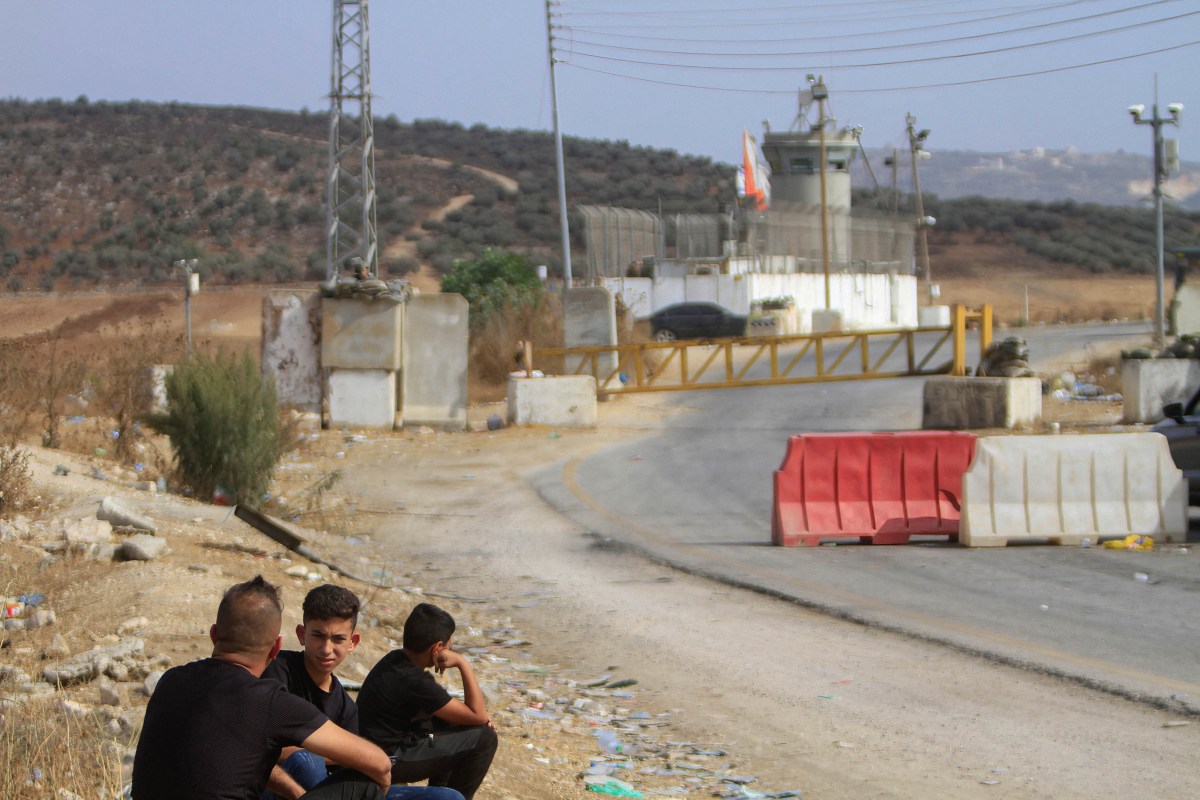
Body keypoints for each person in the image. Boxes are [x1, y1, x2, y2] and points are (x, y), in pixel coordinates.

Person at [131, 576, 391, 800]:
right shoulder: (269, 702)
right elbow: (378, 763)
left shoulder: (171, 679)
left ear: (214, 634)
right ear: (276, 647)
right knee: (364, 788)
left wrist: (297, 794)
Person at [262, 585, 462, 800]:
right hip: (278, 788)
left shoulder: (346, 706)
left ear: (352, 642)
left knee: (448, 797)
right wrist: (333, 753)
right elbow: (254, 745)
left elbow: (350, 766)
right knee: (306, 762)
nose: (326, 649)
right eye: (318, 636)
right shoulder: (277, 671)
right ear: (302, 634)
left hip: (328, 791)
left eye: (338, 639)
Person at [356, 604, 497, 800]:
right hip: (385, 760)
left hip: (374, 750)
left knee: (451, 724)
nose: (449, 650)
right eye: (448, 646)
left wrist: (468, 721)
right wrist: (463, 664)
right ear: (437, 648)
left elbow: (463, 715)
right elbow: (478, 715)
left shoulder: (394, 660)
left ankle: (440, 791)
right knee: (485, 738)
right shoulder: (415, 680)